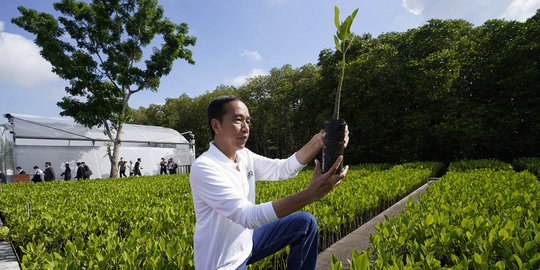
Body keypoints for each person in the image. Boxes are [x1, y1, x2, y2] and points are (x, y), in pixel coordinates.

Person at [189, 96, 349, 270]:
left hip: (247, 242)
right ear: (216, 125)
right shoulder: (205, 167)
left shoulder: (244, 156)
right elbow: (247, 216)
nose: (245, 128)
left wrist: (322, 139)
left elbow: (283, 168)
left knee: (305, 224)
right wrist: (310, 194)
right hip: (224, 263)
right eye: (238, 120)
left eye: (248, 121)